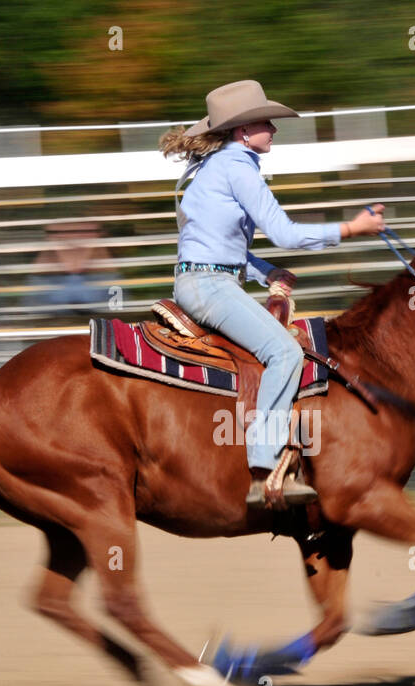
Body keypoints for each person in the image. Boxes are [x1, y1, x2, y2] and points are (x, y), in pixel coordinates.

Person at [159, 80, 386, 508]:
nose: (274, 130)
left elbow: (218, 244)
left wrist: (265, 272)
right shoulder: (238, 168)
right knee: (285, 354)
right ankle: (263, 468)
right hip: (210, 286)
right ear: (244, 131)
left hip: (203, 279)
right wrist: (353, 229)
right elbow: (284, 233)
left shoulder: (217, 167)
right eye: (266, 122)